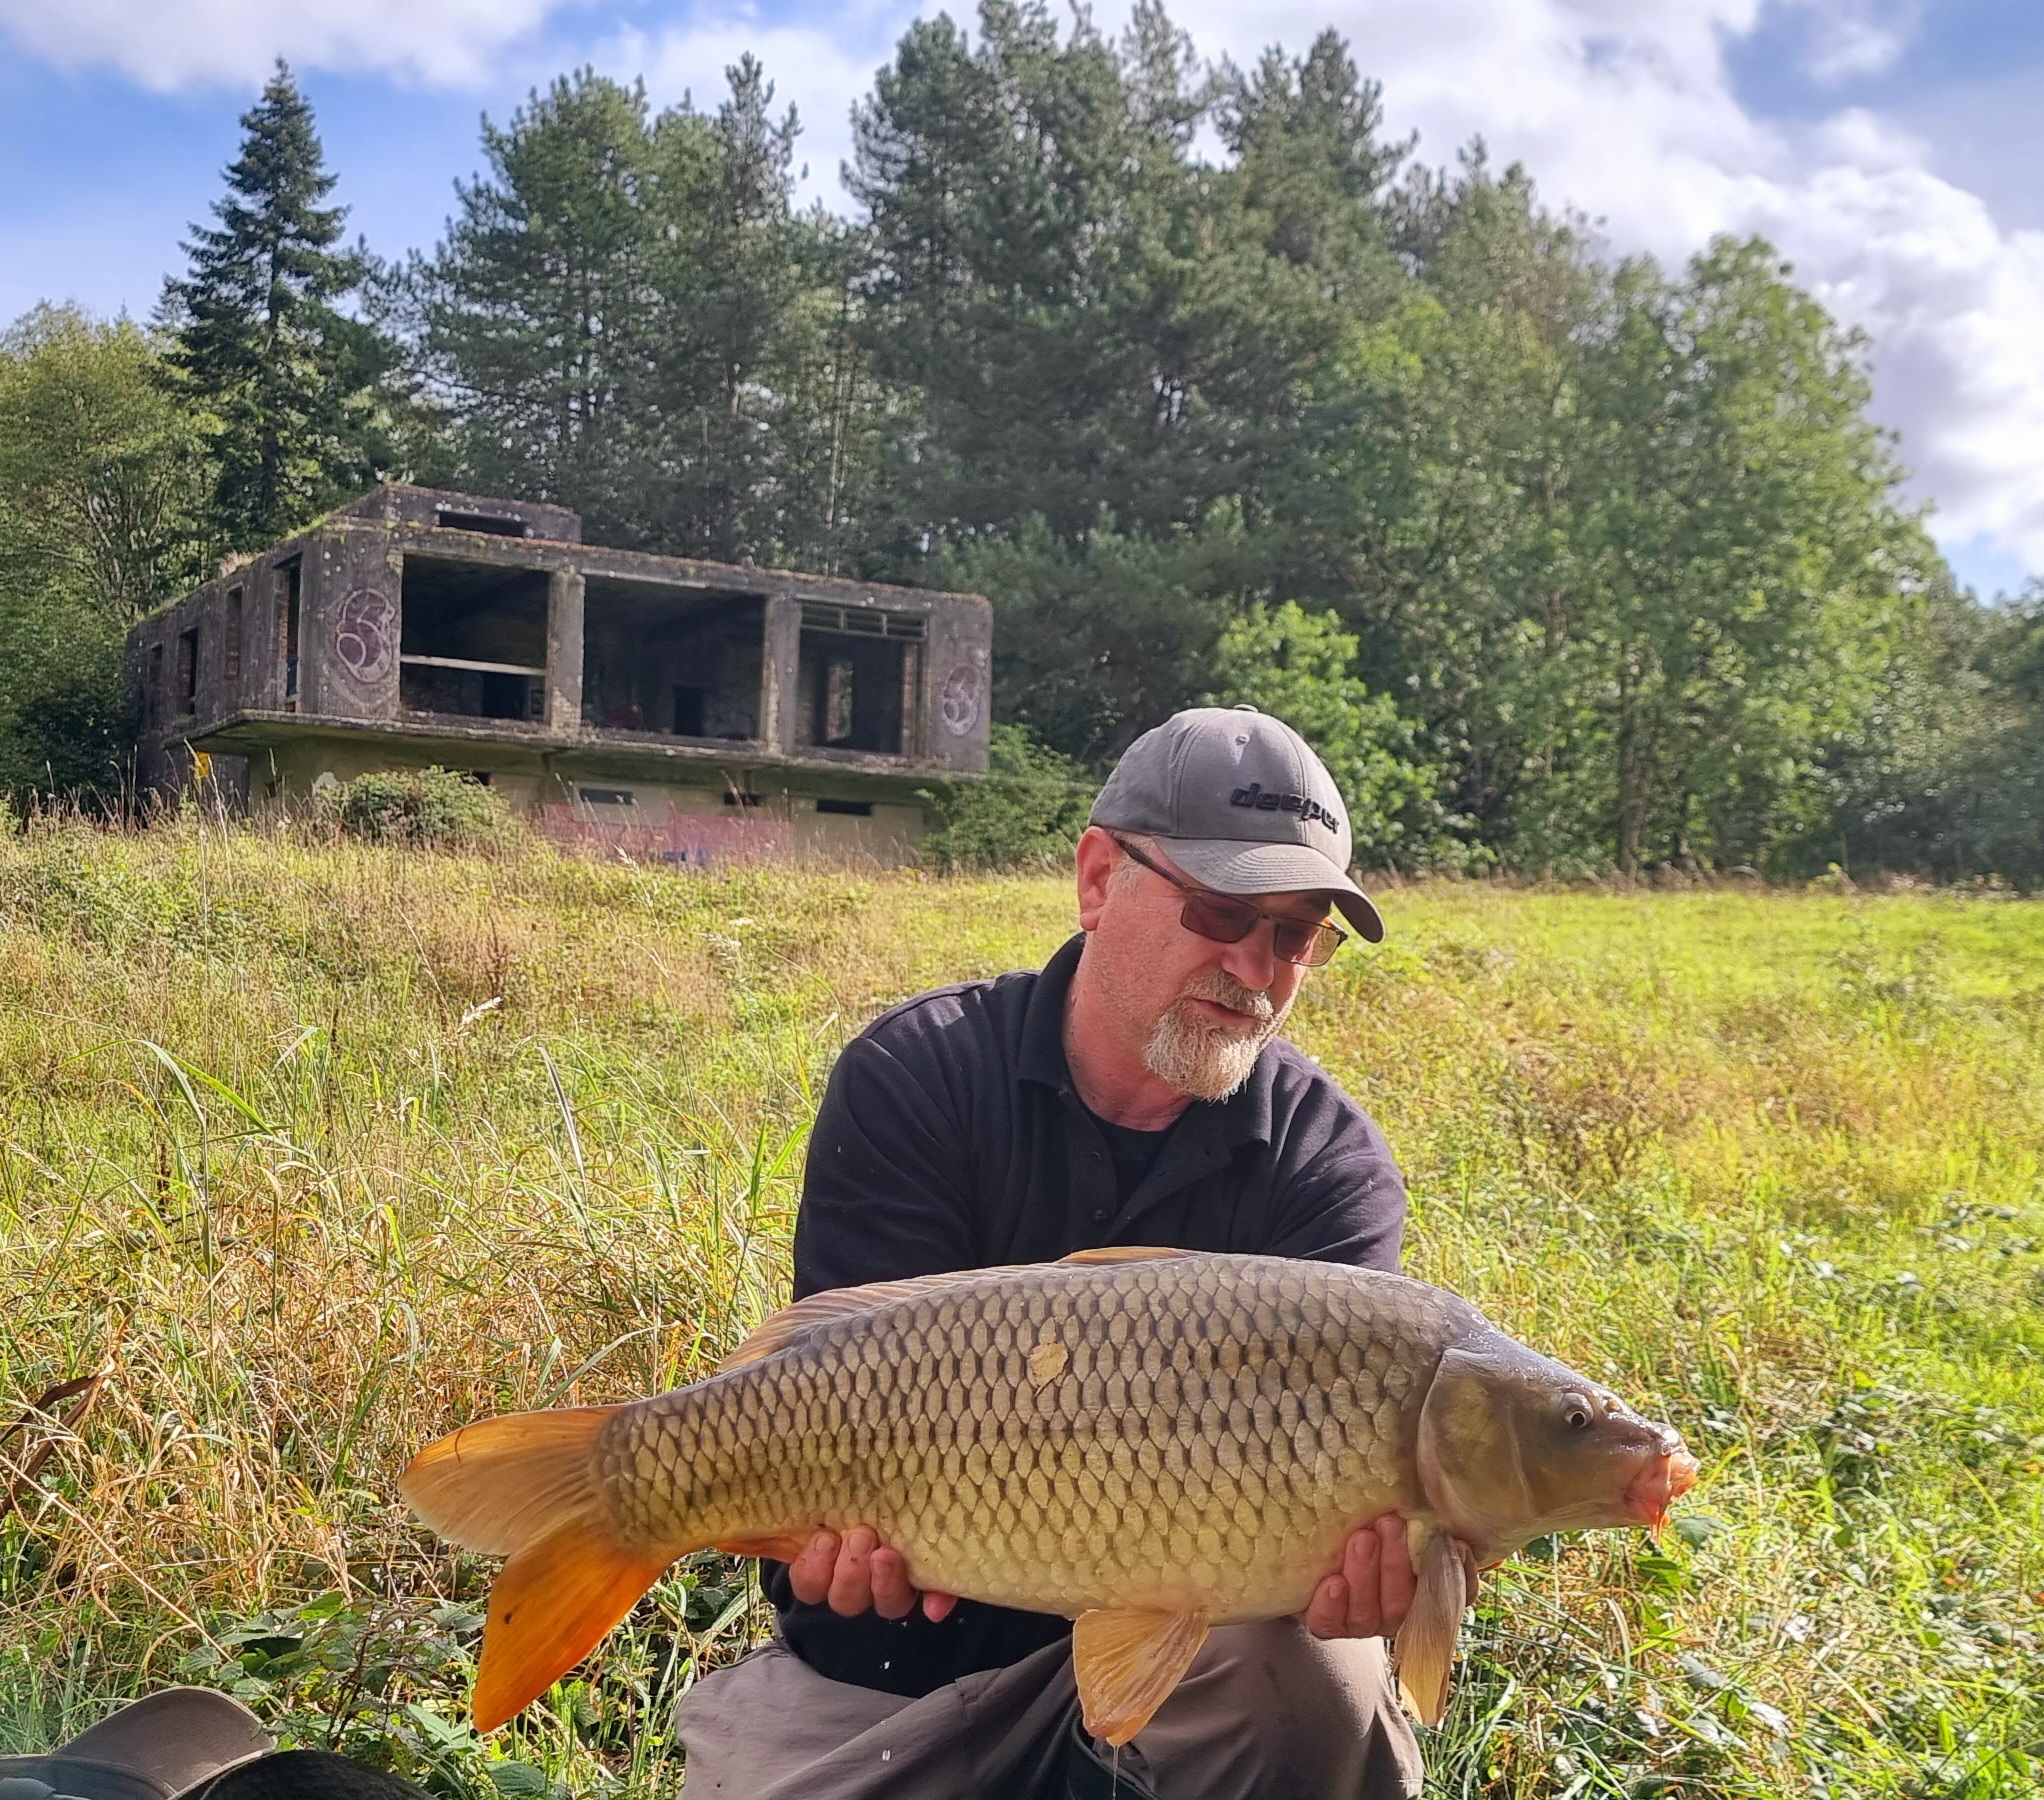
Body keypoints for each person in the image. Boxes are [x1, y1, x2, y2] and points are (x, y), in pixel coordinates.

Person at [675, 706, 1461, 1799]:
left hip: (1195, 1681)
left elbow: (1351, 1532)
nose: (1255, 967)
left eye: (1295, 936)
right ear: (1097, 878)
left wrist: (1389, 1580)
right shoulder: (919, 1076)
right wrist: (823, 1533)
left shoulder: (1328, 1165)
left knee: (1318, 1682)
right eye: (1222, 910)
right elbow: (833, 1396)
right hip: (893, 1680)